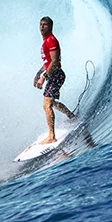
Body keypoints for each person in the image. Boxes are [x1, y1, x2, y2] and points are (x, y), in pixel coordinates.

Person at [33, 16, 76, 144]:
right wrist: (38, 73)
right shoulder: (46, 41)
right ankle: (71, 117)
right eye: (40, 24)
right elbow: (48, 62)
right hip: (52, 75)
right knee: (51, 103)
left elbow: (55, 62)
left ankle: (51, 136)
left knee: (46, 104)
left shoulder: (51, 40)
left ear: (50, 26)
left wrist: (43, 77)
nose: (42, 27)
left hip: (56, 75)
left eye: (45, 25)